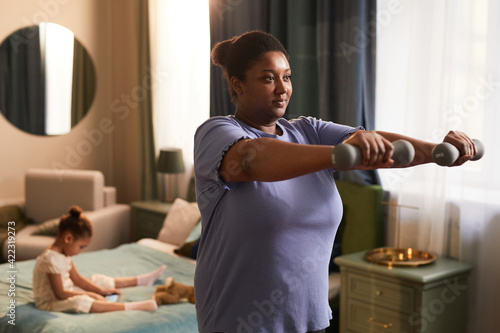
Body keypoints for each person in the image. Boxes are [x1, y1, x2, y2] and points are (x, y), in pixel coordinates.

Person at [193, 30, 477, 333]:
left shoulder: (308, 130)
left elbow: (375, 143)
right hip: (238, 323)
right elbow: (251, 159)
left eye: (287, 77)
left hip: (312, 320)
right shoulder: (217, 133)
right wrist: (340, 154)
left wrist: (437, 151)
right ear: (237, 84)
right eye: (268, 78)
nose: (282, 89)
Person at [32, 206, 166, 313]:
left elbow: (77, 279)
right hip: (51, 302)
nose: (81, 251)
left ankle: (141, 280)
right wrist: (91, 295)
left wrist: (100, 291)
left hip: (67, 291)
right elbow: (60, 294)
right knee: (81, 301)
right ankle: (133, 306)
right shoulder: (50, 259)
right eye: (81, 247)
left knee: (97, 279)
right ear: (68, 239)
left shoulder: (64, 253)